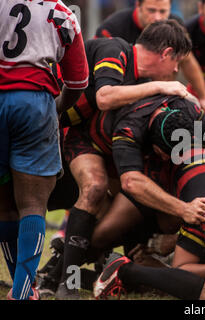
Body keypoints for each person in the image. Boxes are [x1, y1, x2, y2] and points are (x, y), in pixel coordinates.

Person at [56, 20, 196, 300]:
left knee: (129, 206)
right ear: (166, 54)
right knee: (94, 187)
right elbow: (105, 97)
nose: (176, 71)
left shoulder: (142, 82)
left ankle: (71, 267)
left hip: (92, 139)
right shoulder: (116, 50)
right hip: (59, 131)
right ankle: (66, 282)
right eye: (177, 62)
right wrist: (162, 86)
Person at [0, 0, 89, 300]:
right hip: (34, 104)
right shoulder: (61, 12)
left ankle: (22, 286)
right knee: (33, 204)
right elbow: (78, 80)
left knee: (4, 202)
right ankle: (23, 292)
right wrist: (58, 108)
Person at [95, 0, 205, 115]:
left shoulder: (173, 24)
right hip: (113, 89)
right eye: (151, 10)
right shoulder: (114, 28)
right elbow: (104, 95)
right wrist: (159, 87)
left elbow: (187, 60)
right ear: (138, 5)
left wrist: (204, 98)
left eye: (163, 11)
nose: (157, 17)